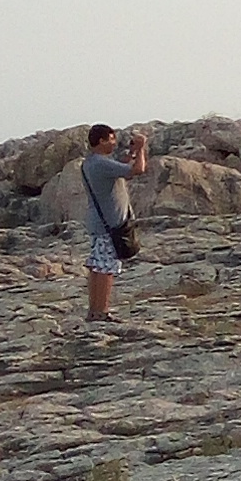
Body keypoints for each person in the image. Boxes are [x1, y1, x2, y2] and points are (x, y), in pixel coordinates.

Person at [79, 123, 149, 333]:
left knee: (97, 267)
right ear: (101, 141)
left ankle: (94, 310)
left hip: (100, 223)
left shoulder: (91, 163)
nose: (114, 142)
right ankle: (102, 311)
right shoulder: (100, 164)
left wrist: (133, 151)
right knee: (105, 269)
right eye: (111, 139)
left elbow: (123, 167)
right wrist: (143, 149)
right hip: (109, 225)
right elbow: (137, 170)